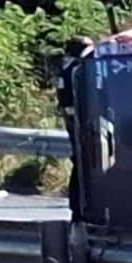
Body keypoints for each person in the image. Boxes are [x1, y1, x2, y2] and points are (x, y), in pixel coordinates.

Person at [56, 35, 93, 221]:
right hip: (78, 119)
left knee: (80, 160)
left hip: (73, 118)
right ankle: (79, 205)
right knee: (83, 161)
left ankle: (78, 205)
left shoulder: (67, 66)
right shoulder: (75, 68)